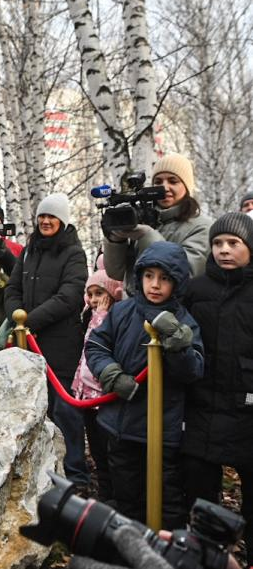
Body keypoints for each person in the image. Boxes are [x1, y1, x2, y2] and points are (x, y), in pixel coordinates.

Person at [85, 241, 204, 529]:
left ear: (177, 282)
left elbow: (193, 371)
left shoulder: (185, 321)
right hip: (122, 425)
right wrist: (112, 375)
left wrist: (179, 347)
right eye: (149, 276)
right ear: (139, 277)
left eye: (164, 278)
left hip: (162, 431)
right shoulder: (122, 312)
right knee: (127, 500)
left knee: (167, 503)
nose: (155, 285)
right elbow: (97, 346)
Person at [4, 193, 89, 490]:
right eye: (42, 215)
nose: (45, 221)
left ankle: (75, 476)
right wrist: (17, 318)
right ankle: (42, 473)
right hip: (27, 343)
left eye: (51, 216)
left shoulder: (74, 253)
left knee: (65, 411)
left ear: (62, 220)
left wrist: (29, 321)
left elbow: (70, 296)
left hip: (61, 345)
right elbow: (12, 288)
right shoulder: (30, 251)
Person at [181, 213, 253, 556]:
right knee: (199, 488)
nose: (224, 249)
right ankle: (207, 557)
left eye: (233, 243)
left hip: (247, 407)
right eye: (217, 243)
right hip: (202, 404)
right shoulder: (196, 290)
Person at [103, 153, 213, 295]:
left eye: (173, 181)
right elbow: (116, 273)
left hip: (176, 307)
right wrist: (116, 240)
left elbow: (187, 272)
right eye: (158, 182)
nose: (165, 187)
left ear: (187, 187)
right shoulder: (141, 219)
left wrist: (147, 236)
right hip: (133, 305)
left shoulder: (202, 227)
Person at [71, 262, 124, 500]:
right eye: (90, 294)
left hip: (103, 396)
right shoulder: (89, 316)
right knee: (96, 450)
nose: (93, 300)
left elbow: (99, 343)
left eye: (99, 293)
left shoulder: (112, 318)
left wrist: (101, 315)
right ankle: (104, 492)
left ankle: (114, 494)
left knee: (109, 449)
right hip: (87, 396)